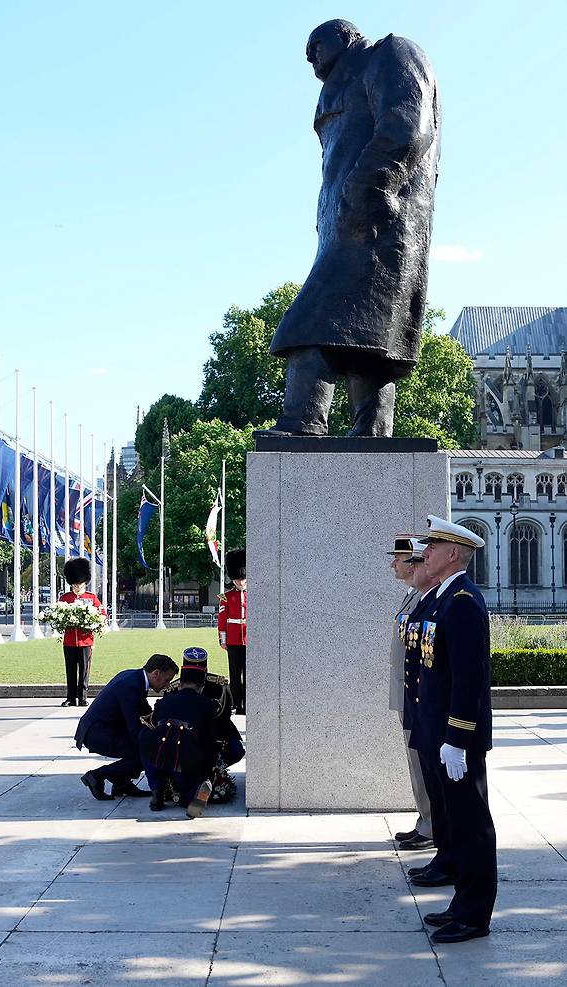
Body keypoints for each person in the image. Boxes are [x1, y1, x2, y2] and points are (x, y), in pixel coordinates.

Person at [264, 19, 440, 437]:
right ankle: (373, 429)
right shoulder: (340, 86)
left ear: (346, 37)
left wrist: (366, 189)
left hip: (381, 220)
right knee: (366, 332)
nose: (310, 56)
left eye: (316, 44)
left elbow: (407, 125)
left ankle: (302, 421)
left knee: (310, 324)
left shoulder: (390, 55)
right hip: (349, 221)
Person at [407, 515, 496, 944]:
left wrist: (458, 739)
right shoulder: (444, 597)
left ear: (454, 554)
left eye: (433, 546)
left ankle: (475, 915)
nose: (424, 553)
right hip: (438, 734)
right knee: (458, 824)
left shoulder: (462, 601)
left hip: (454, 738)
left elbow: (469, 678)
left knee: (472, 825)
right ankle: (462, 904)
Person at [75, 653, 178, 800]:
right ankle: (96, 776)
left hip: (101, 728)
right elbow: (135, 729)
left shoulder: (135, 677)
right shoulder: (131, 686)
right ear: (156, 674)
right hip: (97, 733)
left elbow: (146, 712)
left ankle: (121, 783)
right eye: (167, 680)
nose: (167, 685)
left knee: (146, 747)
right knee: (148, 752)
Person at [387, 536, 433, 851]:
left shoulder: (422, 598)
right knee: (414, 761)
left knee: (421, 762)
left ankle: (431, 825)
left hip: (415, 691)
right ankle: (425, 821)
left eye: (399, 558)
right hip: (405, 689)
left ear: (414, 561)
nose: (393, 563)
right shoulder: (410, 596)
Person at [140, 655, 220, 818]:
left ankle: (156, 791)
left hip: (158, 753)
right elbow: (209, 741)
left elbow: (154, 724)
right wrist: (208, 771)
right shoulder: (208, 705)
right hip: (185, 756)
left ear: (180, 684)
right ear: (202, 687)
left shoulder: (163, 702)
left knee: (148, 742)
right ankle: (194, 793)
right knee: (186, 783)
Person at [59, 557, 105, 707]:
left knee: (84, 671)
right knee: (70, 670)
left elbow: (102, 613)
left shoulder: (91, 598)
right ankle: (70, 698)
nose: (77, 587)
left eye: (79, 584)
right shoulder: (65, 598)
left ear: (85, 582)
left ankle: (83, 697)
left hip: (86, 641)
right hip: (70, 641)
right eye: (75, 584)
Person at [217, 548, 247, 714]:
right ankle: (237, 704)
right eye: (237, 579)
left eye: (242, 578)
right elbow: (222, 621)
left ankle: (249, 702)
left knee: (249, 674)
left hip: (250, 639)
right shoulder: (225, 597)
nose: (240, 582)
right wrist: (223, 640)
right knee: (235, 674)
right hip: (234, 640)